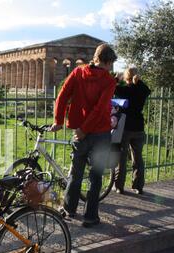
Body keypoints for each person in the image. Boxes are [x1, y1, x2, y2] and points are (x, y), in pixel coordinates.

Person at [51, 44, 118, 228]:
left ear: (95, 57)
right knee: (96, 176)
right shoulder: (109, 80)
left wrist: (58, 120)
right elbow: (99, 110)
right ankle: (90, 217)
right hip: (101, 132)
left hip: (80, 131)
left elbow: (62, 96)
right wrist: (86, 129)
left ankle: (69, 209)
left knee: (76, 172)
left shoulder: (78, 72)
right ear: (109, 61)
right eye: (111, 63)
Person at [113, 68, 151, 195]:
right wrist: (139, 81)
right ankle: (138, 186)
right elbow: (147, 90)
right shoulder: (142, 90)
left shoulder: (125, 90)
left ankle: (119, 186)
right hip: (139, 127)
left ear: (126, 77)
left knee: (122, 158)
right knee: (138, 158)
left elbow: (113, 88)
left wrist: (116, 79)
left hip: (125, 126)